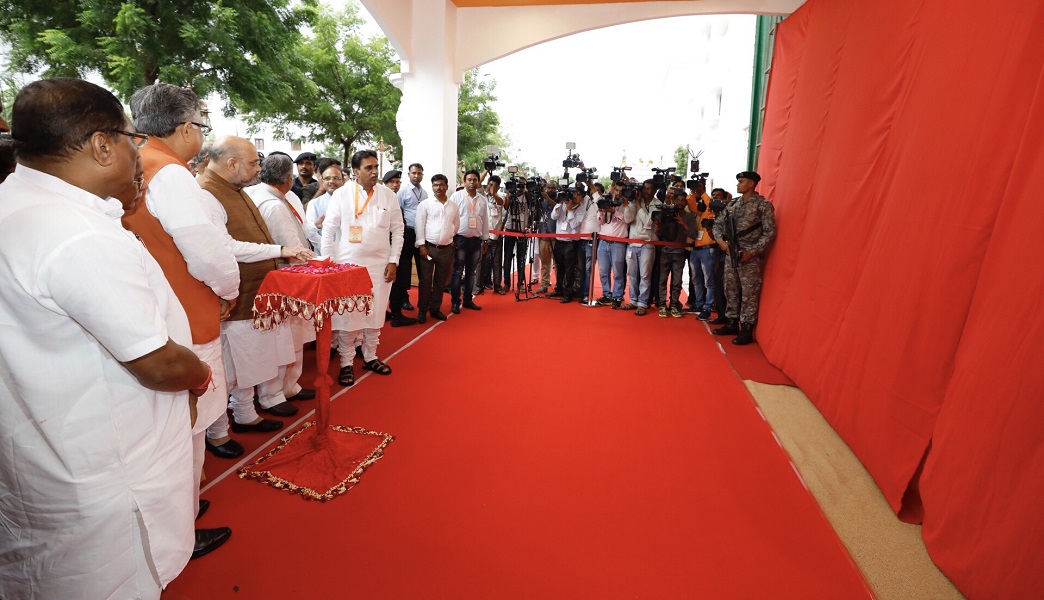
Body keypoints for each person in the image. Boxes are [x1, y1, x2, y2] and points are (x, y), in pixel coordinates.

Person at [0, 77, 211, 599]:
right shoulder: (76, 233)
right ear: (101, 145)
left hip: (48, 455)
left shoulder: (17, 202)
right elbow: (158, 364)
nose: (137, 154)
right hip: (107, 470)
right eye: (130, 140)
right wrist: (200, 374)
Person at [199, 137, 315, 430]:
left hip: (255, 291)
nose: (258, 168)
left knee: (250, 361)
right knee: (235, 365)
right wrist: (281, 251)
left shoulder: (237, 189)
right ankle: (229, 424)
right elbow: (226, 247)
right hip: (234, 295)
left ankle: (245, 413)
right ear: (232, 163)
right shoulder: (206, 194)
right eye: (253, 162)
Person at [321, 150, 404, 386]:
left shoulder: (388, 195)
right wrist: (328, 262)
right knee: (349, 318)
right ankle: (346, 363)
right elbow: (328, 230)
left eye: (376, 166)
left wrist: (393, 260)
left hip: (380, 266)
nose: (375, 171)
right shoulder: (341, 194)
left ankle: (370, 356)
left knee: (376, 313)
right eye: (368, 168)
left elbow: (398, 230)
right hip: (348, 266)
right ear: (355, 171)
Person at [245, 153, 319, 401]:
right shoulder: (275, 204)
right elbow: (293, 250)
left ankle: (282, 388)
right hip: (283, 279)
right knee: (287, 339)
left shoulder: (254, 193)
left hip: (263, 277)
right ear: (288, 178)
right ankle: (278, 391)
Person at [712, 171, 777, 345]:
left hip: (749, 256)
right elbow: (717, 224)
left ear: (751, 184)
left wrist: (753, 251)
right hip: (730, 252)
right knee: (730, 288)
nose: (738, 184)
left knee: (749, 293)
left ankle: (747, 327)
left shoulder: (762, 205)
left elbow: (770, 233)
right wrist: (721, 243)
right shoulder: (733, 205)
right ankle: (732, 321)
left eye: (741, 182)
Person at [414, 173, 460, 323]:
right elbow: (419, 225)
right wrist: (422, 245)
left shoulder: (453, 206)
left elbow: (456, 225)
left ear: (446, 186)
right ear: (432, 187)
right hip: (428, 248)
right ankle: (422, 310)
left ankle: (435, 309)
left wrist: (448, 238)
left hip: (446, 249)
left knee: (441, 281)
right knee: (426, 280)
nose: (438, 187)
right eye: (435, 185)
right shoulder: (425, 204)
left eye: (441, 184)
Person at [449, 169, 490, 313]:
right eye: (469, 180)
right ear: (464, 181)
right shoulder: (456, 196)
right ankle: (455, 302)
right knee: (458, 271)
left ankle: (467, 300)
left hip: (476, 240)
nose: (472, 182)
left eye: (475, 180)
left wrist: (485, 240)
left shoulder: (483, 200)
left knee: (471, 272)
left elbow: (485, 221)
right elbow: (450, 219)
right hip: (460, 239)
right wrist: (451, 238)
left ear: (479, 182)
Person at [390, 162, 426, 317]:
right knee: (404, 267)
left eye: (419, 173)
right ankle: (404, 299)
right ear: (409, 175)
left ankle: (425, 300)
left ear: (422, 175)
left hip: (421, 233)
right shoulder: (402, 192)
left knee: (422, 266)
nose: (416, 176)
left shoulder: (424, 193)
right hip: (407, 233)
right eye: (413, 173)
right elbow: (398, 214)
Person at [656, 186, 698, 317]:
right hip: (665, 250)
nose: (680, 202)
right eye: (677, 200)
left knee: (677, 280)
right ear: (673, 200)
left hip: (680, 252)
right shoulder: (666, 213)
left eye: (682, 200)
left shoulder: (690, 216)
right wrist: (658, 225)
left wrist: (683, 223)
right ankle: (662, 304)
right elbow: (659, 233)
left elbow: (694, 234)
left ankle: (674, 304)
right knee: (662, 279)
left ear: (686, 202)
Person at [622, 180, 661, 315]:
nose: (646, 191)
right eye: (644, 188)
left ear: (655, 190)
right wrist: (628, 204)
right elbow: (627, 219)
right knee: (632, 274)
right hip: (632, 243)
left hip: (648, 244)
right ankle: (633, 300)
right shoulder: (634, 202)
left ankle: (643, 303)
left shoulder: (658, 205)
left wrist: (639, 206)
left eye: (649, 189)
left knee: (645, 275)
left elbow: (649, 222)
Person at [688, 183, 722, 321]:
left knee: (709, 281)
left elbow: (710, 203)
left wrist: (703, 192)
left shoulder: (719, 212)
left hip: (709, 250)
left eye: (717, 197)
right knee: (696, 279)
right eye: (712, 196)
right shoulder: (705, 212)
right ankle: (699, 304)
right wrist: (692, 192)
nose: (714, 199)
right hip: (696, 249)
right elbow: (693, 207)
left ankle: (707, 308)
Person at [596, 182, 630, 309]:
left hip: (618, 243)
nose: (618, 193)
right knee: (603, 271)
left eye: (621, 190)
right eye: (616, 190)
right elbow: (601, 222)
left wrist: (613, 211)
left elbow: (627, 219)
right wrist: (602, 212)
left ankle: (617, 296)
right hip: (603, 241)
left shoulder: (626, 205)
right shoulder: (607, 201)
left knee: (618, 272)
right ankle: (607, 295)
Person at [550, 184, 586, 303]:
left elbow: (575, 224)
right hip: (559, 240)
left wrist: (570, 210)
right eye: (574, 193)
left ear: (582, 197)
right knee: (559, 267)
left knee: (569, 269)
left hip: (571, 242)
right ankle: (559, 288)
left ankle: (568, 292)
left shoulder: (581, 208)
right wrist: (560, 203)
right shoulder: (563, 203)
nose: (575, 196)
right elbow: (553, 216)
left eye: (579, 195)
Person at [304, 164, 345, 253]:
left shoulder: (351, 201)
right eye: (327, 178)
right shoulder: (314, 204)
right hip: (323, 253)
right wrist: (330, 248)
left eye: (336, 178)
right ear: (322, 182)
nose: (331, 181)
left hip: (348, 252)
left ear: (343, 181)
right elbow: (310, 232)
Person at [478, 174, 507, 294]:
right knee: (481, 262)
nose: (491, 187)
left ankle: (497, 286)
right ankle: (478, 286)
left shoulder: (501, 197)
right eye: (490, 184)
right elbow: (478, 182)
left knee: (497, 262)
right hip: (483, 236)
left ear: (499, 187)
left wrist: (493, 193)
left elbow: (500, 203)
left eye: (495, 185)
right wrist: (487, 170)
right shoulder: (481, 196)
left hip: (497, 236)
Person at [577, 181, 601, 302]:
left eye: (596, 191)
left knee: (588, 268)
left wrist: (589, 182)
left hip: (592, 241)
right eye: (592, 190)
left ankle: (587, 294)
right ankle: (581, 292)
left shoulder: (600, 202)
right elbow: (577, 194)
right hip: (581, 239)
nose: (593, 192)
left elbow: (596, 194)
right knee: (581, 268)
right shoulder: (586, 200)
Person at [534, 180, 558, 294]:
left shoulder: (559, 198)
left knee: (557, 263)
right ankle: (544, 284)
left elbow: (557, 208)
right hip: (543, 234)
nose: (550, 190)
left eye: (553, 188)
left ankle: (559, 286)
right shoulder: (540, 199)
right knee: (545, 262)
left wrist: (548, 198)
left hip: (556, 236)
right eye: (548, 187)